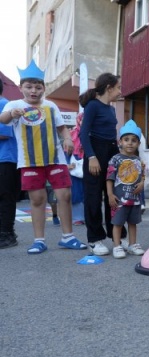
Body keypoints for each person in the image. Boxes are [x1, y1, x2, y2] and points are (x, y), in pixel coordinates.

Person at [0, 60, 87, 254]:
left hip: (55, 158)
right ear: (21, 87)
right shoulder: (14, 104)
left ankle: (68, 237)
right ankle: (39, 240)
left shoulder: (51, 106)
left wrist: (68, 139)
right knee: (38, 199)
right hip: (29, 161)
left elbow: (61, 127)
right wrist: (12, 114)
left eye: (38, 87)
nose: (33, 91)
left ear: (43, 88)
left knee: (64, 196)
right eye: (29, 87)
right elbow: (3, 119)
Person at [79, 72, 125, 256]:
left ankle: (117, 237)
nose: (120, 90)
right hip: (95, 152)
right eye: (118, 87)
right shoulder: (92, 106)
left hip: (112, 150)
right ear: (109, 88)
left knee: (113, 194)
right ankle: (94, 239)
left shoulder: (111, 109)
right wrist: (91, 156)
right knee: (93, 197)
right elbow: (84, 133)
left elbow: (111, 134)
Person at [106, 120, 146, 259]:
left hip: (134, 199)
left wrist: (142, 184)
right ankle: (117, 246)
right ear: (120, 142)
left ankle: (132, 244)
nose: (130, 143)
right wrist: (110, 195)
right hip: (119, 198)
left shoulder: (138, 160)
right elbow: (109, 178)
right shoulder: (115, 159)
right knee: (117, 222)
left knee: (133, 222)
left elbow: (142, 176)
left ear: (138, 144)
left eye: (134, 140)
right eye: (126, 139)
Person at [0, 80, 20, 249]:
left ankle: (7, 233)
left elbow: (4, 133)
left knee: (5, 196)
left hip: (6, 158)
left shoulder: (4, 104)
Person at [68, 113, 85, 226]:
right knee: (76, 192)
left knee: (91, 192)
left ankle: (91, 217)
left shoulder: (96, 134)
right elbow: (64, 152)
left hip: (90, 166)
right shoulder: (71, 135)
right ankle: (77, 217)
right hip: (75, 169)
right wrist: (66, 165)